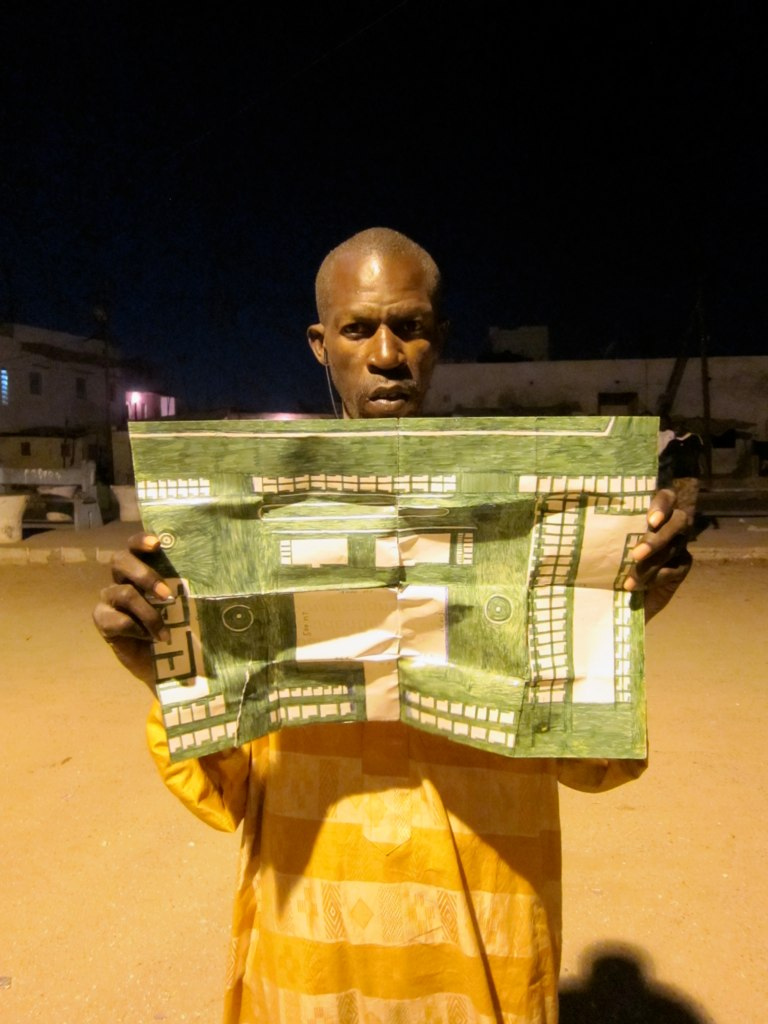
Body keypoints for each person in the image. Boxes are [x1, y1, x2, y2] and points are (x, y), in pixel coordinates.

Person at [93, 227, 691, 1023]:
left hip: (484, 938)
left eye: (408, 327)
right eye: (357, 328)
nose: (385, 352)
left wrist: (618, 618)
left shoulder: (531, 520)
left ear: (438, 340)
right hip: (307, 956)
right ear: (319, 343)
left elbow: (588, 763)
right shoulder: (248, 524)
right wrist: (158, 665)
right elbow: (228, 787)